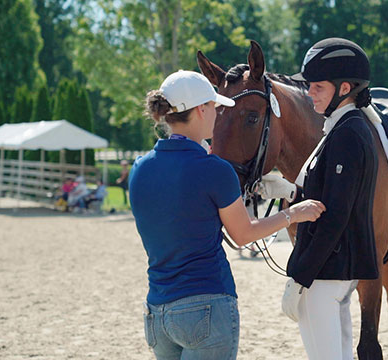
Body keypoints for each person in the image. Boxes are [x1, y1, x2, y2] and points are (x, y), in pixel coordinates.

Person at [130, 70, 325, 360]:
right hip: (206, 304)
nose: (218, 116)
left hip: (157, 311)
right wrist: (293, 214)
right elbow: (243, 234)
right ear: (201, 110)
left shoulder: (139, 168)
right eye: (215, 108)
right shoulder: (215, 170)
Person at [258, 38, 379, 360]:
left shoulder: (348, 134)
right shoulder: (340, 128)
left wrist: (301, 274)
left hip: (327, 270)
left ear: (344, 88)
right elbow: (326, 193)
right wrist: (287, 191)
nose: (309, 92)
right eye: (309, 85)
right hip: (333, 268)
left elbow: (336, 213)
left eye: (318, 86)